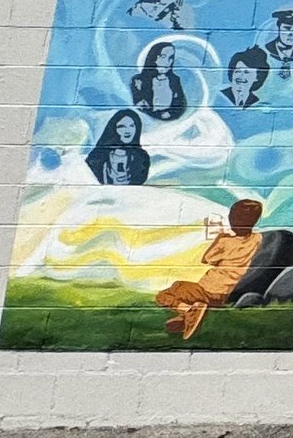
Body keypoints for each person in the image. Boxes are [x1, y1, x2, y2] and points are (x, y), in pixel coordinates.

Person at [154, 199, 264, 339]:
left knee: (166, 294)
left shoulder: (225, 241)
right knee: (183, 290)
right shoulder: (257, 238)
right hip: (227, 294)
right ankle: (186, 318)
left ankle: (188, 311)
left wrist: (219, 238)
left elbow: (207, 259)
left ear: (232, 219)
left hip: (209, 291)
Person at [86, 109, 151, 186]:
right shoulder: (97, 156)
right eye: (122, 126)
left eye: (131, 126)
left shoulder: (142, 157)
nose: (127, 130)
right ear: (114, 129)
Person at [129, 40, 187, 121]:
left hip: (168, 123)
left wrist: (170, 113)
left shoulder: (174, 80)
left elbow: (180, 103)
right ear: (154, 58)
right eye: (163, 57)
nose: (167, 62)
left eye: (170, 58)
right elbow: (138, 103)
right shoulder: (139, 80)